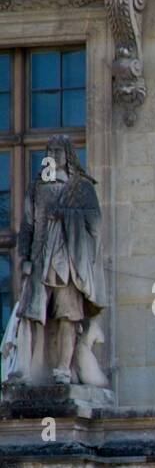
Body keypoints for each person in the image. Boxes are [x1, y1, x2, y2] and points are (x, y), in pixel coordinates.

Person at [2, 135, 109, 386]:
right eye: (49, 149)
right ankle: (31, 367)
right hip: (40, 262)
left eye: (58, 149)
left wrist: (67, 216)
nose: (53, 153)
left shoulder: (81, 187)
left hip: (68, 265)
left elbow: (95, 223)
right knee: (34, 315)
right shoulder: (37, 187)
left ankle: (63, 368)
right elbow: (27, 226)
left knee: (68, 316)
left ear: (68, 153)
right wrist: (25, 257)